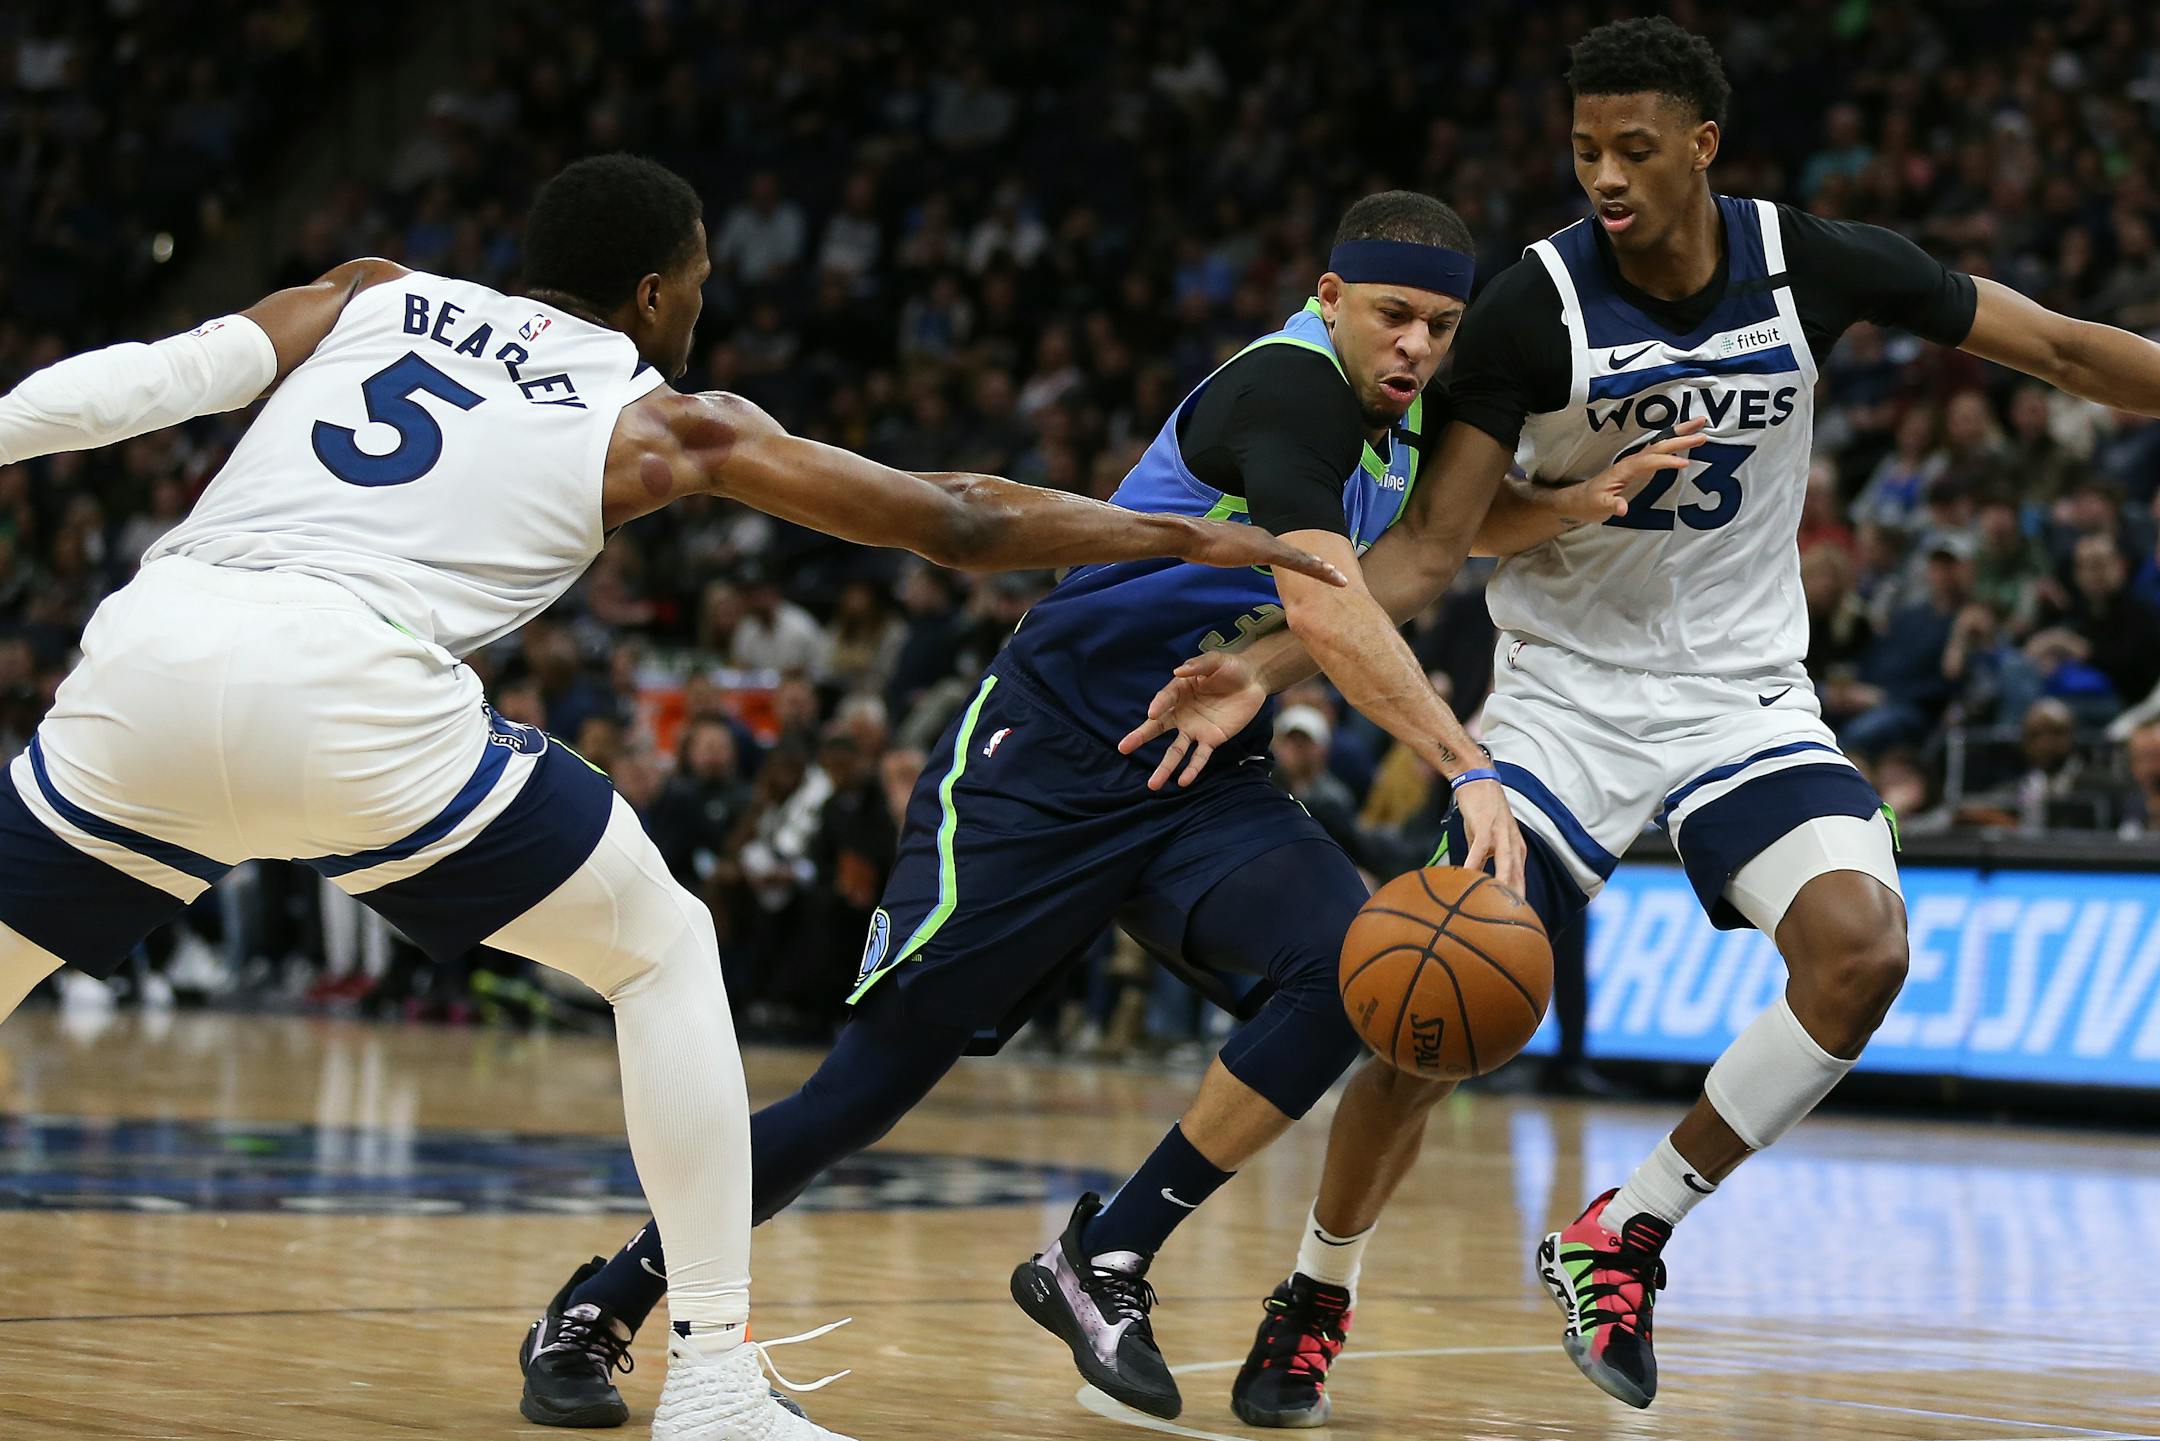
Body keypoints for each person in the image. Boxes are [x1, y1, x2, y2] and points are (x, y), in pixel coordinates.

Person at [0, 153, 1344, 1441]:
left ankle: (646, 1328)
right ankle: (708, 1373)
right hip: (355, 698)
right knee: (660, 953)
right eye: (699, 278)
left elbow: (157, 381)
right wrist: (1182, 529)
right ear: (656, 292)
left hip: (146, 663)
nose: (703, 301)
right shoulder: (661, 419)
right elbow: (963, 522)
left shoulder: (368, 291)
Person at [1126, 17, 2160, 1420]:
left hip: (1743, 693)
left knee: (1860, 954)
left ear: (1702, 146)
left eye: (1631, 148)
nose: (1603, 174)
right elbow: (1433, 547)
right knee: (1425, 1020)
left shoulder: (1814, 261)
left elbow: (2058, 349)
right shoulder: (1527, 308)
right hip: (1565, 701)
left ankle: (1628, 1230)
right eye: (1583, 148)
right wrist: (1268, 662)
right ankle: (1319, 1284)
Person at [515, 191, 1553, 1428]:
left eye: (1440, 327)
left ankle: (1103, 1255)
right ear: (1327, 298)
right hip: (1043, 760)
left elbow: (1440, 521)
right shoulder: (1291, 394)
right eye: (1393, 317)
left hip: (1193, 765)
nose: (1417, 350)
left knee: (1353, 969)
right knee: (864, 1092)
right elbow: (1329, 595)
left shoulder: (1398, 410)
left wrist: (1568, 512)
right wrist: (1463, 760)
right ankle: (605, 1299)